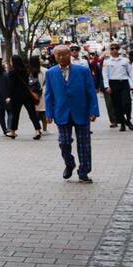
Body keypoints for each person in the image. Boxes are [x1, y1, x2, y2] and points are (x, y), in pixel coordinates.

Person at [43, 44, 100, 182]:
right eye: (58, 55)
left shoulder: (83, 71)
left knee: (84, 144)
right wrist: (49, 113)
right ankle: (69, 163)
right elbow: (48, 95)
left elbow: (90, 91)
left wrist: (93, 110)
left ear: (70, 55)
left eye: (64, 54)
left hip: (81, 111)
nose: (61, 57)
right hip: (61, 113)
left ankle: (84, 171)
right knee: (64, 142)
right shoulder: (50, 73)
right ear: (54, 57)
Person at [102, 43, 133, 131]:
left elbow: (131, 72)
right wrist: (107, 86)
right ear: (110, 50)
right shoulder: (107, 61)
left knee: (127, 102)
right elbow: (105, 74)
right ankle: (122, 123)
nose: (114, 50)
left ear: (119, 50)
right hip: (113, 83)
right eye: (112, 48)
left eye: (116, 48)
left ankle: (128, 120)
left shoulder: (125, 60)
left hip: (124, 82)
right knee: (117, 105)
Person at [6, 55, 41, 139]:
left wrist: (9, 96)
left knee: (15, 114)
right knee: (32, 113)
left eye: (11, 61)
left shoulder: (12, 73)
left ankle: (13, 132)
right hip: (27, 95)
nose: (10, 62)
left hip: (16, 97)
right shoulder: (26, 71)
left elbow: (11, 86)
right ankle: (37, 130)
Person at [29, 57, 50, 132]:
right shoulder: (45, 71)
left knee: (35, 112)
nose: (41, 60)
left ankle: (38, 129)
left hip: (33, 94)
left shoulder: (29, 71)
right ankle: (44, 128)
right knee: (43, 111)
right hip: (43, 92)